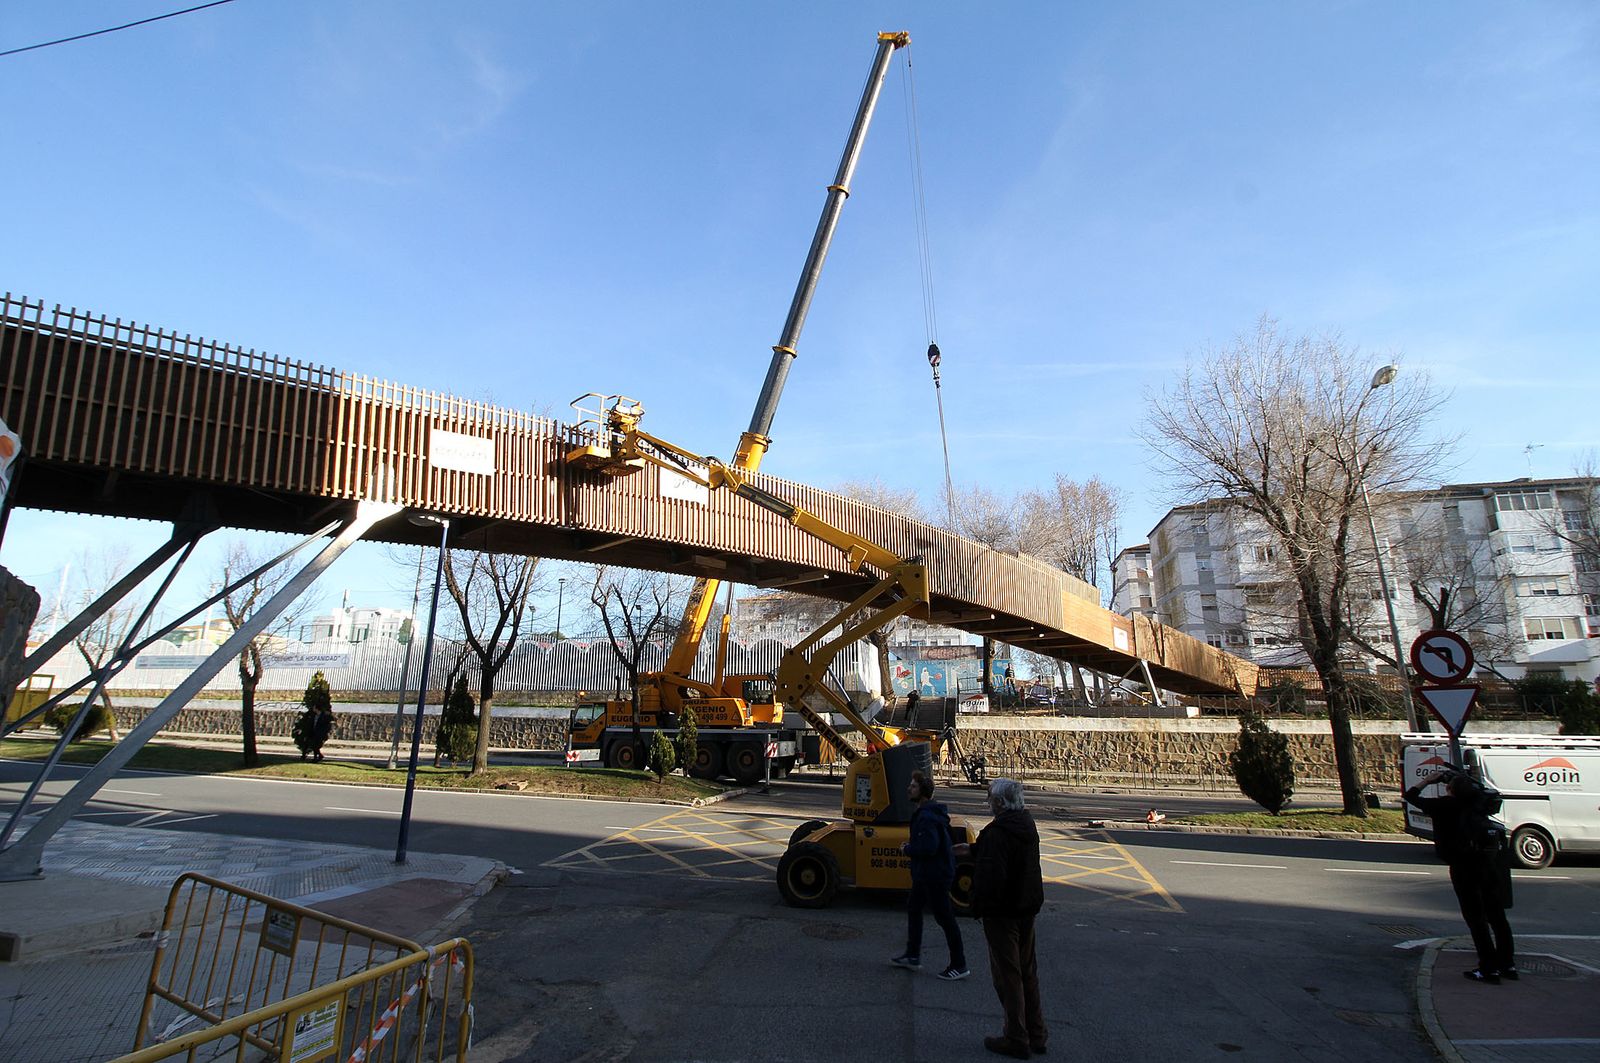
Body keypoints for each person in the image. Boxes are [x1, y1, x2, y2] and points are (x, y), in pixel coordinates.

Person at [958, 777, 1046, 1059]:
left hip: (1002, 913)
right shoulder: (1025, 825)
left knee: (1007, 976)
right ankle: (1037, 1034)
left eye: (991, 800)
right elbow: (1007, 856)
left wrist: (978, 905)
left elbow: (992, 875)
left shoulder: (997, 833)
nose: (989, 804)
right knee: (1027, 971)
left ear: (999, 803)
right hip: (1026, 907)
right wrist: (971, 850)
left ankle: (1015, 1036)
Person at [1403, 766, 1516, 983]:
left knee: (1476, 919)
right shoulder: (1478, 804)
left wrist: (1428, 780)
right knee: (1497, 917)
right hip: (1489, 864)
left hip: (1463, 866)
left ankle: (1488, 968)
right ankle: (1507, 964)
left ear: (1449, 789)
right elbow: (1486, 794)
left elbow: (1410, 796)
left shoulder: (1444, 806)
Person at [891, 770, 969, 981]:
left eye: (913, 786)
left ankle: (959, 963)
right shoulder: (928, 812)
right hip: (926, 874)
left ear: (922, 793)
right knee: (914, 908)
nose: (909, 789)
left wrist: (907, 849)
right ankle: (912, 954)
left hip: (934, 875)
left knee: (945, 918)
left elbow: (929, 847)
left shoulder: (926, 816)